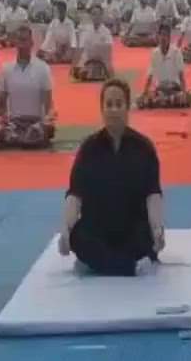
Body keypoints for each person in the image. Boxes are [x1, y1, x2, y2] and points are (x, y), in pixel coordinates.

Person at [58, 79, 165, 276]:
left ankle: (103, 264)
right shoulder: (89, 148)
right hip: (99, 226)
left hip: (132, 226)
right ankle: (127, 267)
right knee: (78, 238)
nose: (113, 110)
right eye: (109, 105)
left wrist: (157, 228)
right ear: (101, 109)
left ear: (127, 107)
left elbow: (153, 194)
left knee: (146, 237)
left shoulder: (144, 148)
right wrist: (66, 230)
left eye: (119, 104)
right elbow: (75, 194)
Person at [0, 24, 57, 148]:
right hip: (14, 124)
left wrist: (49, 117)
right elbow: (0, 107)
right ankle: (21, 139)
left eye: (25, 40)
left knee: (45, 130)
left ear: (31, 43)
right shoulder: (6, 69)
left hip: (35, 124)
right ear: (15, 42)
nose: (22, 45)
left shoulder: (43, 68)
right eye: (19, 40)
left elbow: (49, 106)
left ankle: (19, 139)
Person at [137, 24, 191, 109]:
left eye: (165, 35)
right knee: (138, 99)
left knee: (190, 97)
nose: (163, 38)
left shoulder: (176, 52)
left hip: (174, 89)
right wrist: (144, 94)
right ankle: (167, 101)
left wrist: (184, 92)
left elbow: (181, 76)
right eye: (161, 35)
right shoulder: (155, 53)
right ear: (158, 36)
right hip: (160, 89)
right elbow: (150, 76)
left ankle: (162, 101)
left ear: (169, 37)